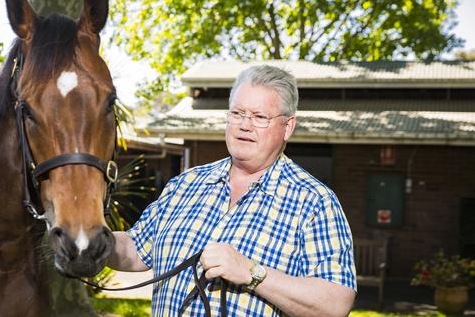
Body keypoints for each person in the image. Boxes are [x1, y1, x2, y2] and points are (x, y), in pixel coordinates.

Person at [108, 65, 356, 316]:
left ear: (288, 127)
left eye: (260, 117)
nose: (244, 125)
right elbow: (135, 249)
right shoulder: (185, 184)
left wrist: (251, 273)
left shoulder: (314, 202)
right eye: (237, 113)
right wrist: (90, 240)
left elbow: (335, 304)